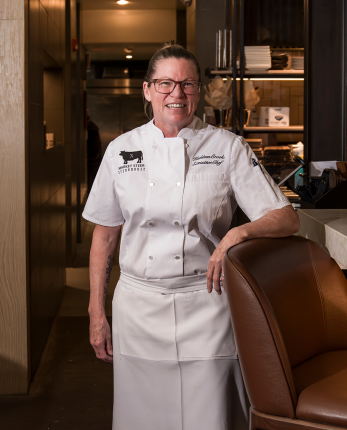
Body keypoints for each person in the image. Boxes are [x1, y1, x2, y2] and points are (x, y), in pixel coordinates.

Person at [83, 41, 300, 430]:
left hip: (208, 305)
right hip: (139, 308)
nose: (177, 94)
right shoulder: (120, 151)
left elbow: (285, 218)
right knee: (143, 417)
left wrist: (238, 234)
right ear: (147, 90)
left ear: (198, 92)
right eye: (165, 84)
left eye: (187, 85)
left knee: (211, 414)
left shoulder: (227, 147)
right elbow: (105, 233)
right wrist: (96, 311)